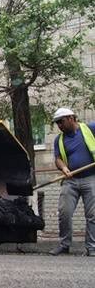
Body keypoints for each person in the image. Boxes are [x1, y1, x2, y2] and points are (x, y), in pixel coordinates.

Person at [50, 108, 95, 256]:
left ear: (71, 118)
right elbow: (58, 158)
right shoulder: (59, 139)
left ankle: (91, 247)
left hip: (91, 178)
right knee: (64, 212)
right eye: (57, 123)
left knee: (93, 215)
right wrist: (63, 168)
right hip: (71, 180)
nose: (59, 126)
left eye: (61, 122)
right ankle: (64, 245)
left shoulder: (90, 129)